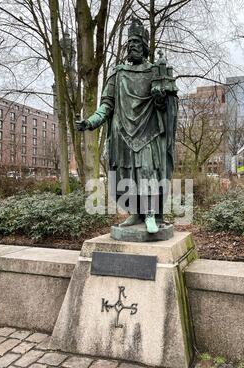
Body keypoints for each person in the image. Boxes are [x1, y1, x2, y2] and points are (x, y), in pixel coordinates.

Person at [76, 17, 178, 234]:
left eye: (137, 44)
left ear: (144, 47)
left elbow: (164, 105)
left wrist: (160, 97)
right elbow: (106, 105)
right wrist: (90, 122)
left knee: (148, 172)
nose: (133, 48)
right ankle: (134, 213)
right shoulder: (117, 72)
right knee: (127, 176)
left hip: (149, 132)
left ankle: (150, 214)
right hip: (123, 133)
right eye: (130, 45)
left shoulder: (154, 71)